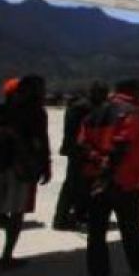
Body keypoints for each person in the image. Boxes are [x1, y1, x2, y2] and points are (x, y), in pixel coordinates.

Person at [79, 79, 139, 276]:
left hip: (94, 177)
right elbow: (124, 143)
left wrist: (98, 163)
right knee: (131, 225)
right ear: (134, 91)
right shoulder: (131, 111)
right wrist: (108, 171)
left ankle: (98, 271)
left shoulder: (95, 112)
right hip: (124, 179)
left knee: (97, 229)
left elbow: (82, 143)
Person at [0, 75, 51, 270]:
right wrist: (44, 164)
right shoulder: (36, 113)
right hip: (20, 167)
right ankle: (6, 256)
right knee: (16, 212)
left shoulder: (0, 110)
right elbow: (41, 142)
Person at [53, 81, 108, 231]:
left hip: (85, 150)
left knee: (85, 184)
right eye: (102, 93)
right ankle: (62, 218)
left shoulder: (88, 107)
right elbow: (73, 133)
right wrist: (82, 148)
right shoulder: (82, 108)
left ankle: (78, 214)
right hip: (79, 151)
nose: (105, 96)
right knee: (72, 184)